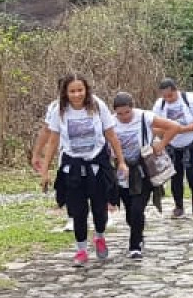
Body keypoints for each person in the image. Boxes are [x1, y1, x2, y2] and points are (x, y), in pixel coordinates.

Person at [33, 74, 130, 266]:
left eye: (80, 90)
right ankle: (81, 250)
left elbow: (111, 135)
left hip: (97, 164)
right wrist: (45, 170)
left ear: (86, 90)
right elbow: (53, 140)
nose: (77, 94)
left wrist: (121, 161)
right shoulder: (59, 110)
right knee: (78, 211)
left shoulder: (97, 105)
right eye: (72, 91)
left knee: (99, 208)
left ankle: (99, 236)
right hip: (73, 166)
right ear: (65, 93)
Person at [111, 92, 185, 258]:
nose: (124, 117)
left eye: (127, 112)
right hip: (122, 170)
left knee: (138, 208)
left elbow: (174, 126)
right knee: (129, 211)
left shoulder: (145, 117)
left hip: (144, 168)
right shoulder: (110, 122)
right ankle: (138, 233)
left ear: (133, 108)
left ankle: (135, 246)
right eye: (120, 114)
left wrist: (162, 144)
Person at [152, 77, 193, 219]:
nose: (168, 99)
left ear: (176, 90)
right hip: (172, 144)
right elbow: (154, 126)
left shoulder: (190, 99)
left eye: (170, 96)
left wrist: (183, 129)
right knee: (175, 176)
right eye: (165, 96)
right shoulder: (160, 105)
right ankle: (178, 206)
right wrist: (169, 132)